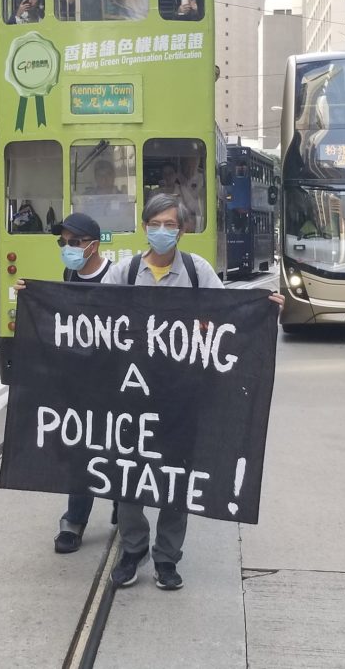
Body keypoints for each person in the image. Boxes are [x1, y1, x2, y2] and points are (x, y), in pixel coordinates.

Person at [100, 194, 283, 591]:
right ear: (144, 226)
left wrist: (263, 307)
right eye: (155, 223)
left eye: (171, 224)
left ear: (181, 230)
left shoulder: (198, 272)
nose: (163, 231)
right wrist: (33, 294)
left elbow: (228, 312)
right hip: (133, 394)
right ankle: (133, 550)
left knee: (175, 476)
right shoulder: (125, 272)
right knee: (128, 475)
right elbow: (90, 310)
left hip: (184, 395)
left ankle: (167, 557)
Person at [15, 213, 115, 554]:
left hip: (115, 380)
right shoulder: (70, 272)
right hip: (78, 379)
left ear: (93, 244)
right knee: (81, 450)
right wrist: (31, 297)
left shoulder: (116, 276)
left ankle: (122, 499)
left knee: (117, 446)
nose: (68, 248)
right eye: (64, 242)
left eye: (74, 242)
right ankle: (74, 519)